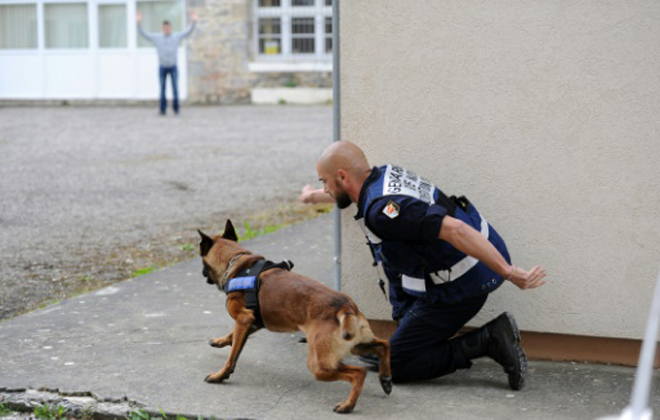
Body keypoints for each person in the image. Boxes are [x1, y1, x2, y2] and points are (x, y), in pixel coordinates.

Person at [299, 141, 547, 390]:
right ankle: (409, 344)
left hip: (465, 282)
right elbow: (345, 192)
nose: (325, 188)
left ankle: (489, 339)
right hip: (472, 260)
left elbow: (456, 230)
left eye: (325, 181)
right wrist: (312, 196)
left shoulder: (384, 212)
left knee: (394, 365)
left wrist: (509, 271)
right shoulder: (381, 177)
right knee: (399, 338)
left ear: (342, 176)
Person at [137, 10, 197, 115]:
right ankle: (163, 109)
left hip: (173, 67)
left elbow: (187, 32)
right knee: (162, 89)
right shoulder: (157, 38)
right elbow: (144, 34)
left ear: (170, 28)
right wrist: (138, 23)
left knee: (175, 89)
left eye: (168, 27)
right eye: (165, 28)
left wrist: (193, 21)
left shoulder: (176, 36)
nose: (166, 29)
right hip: (162, 67)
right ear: (162, 28)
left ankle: (176, 109)